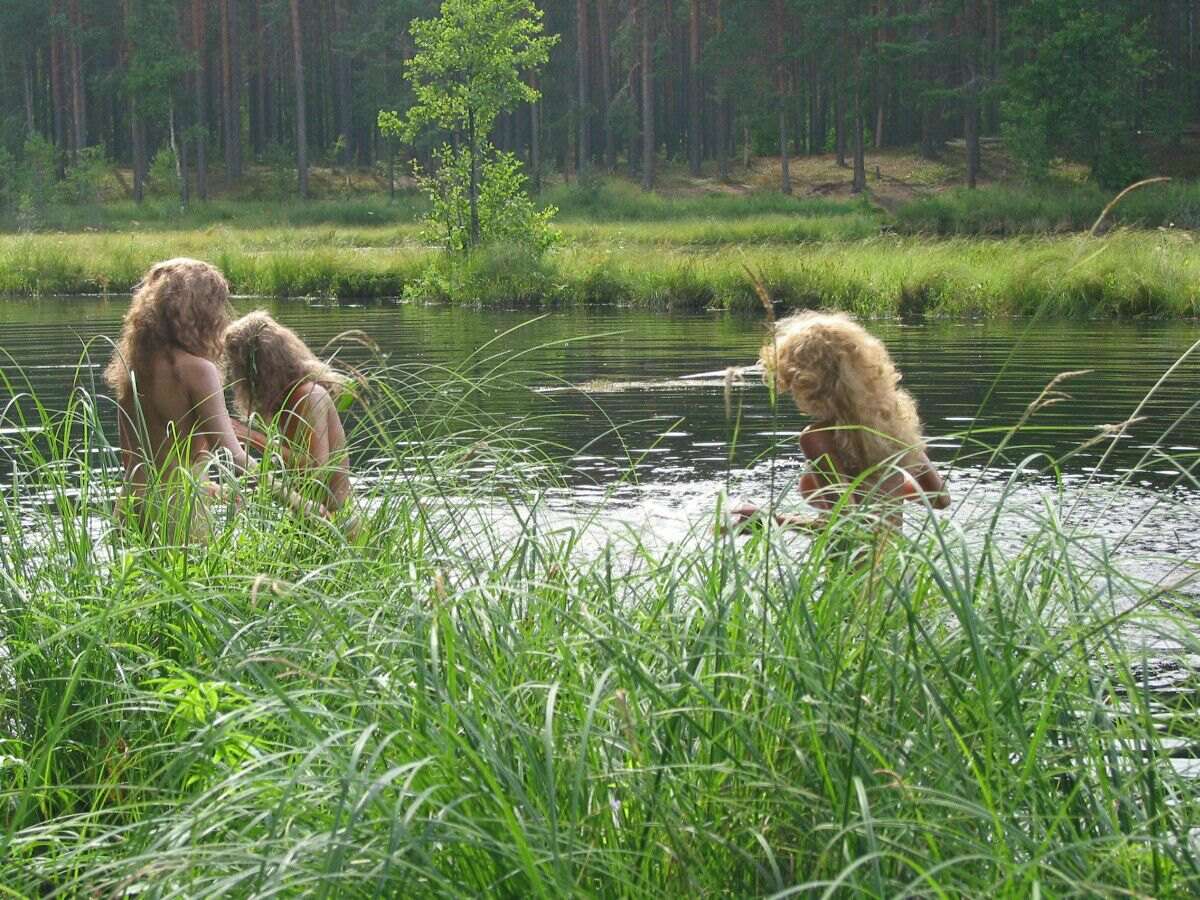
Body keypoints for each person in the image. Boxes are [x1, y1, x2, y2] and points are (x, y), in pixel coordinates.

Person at [733, 310, 949, 530]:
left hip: (852, 554)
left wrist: (764, 520)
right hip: (895, 551)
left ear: (811, 383)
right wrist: (887, 490)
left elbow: (847, 528)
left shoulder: (817, 438)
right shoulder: (893, 420)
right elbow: (940, 497)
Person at [104, 258, 250, 540]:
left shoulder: (130, 366)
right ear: (201, 311)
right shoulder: (198, 370)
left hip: (131, 502)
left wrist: (211, 488)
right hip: (180, 507)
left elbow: (130, 456)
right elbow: (234, 456)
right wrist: (298, 500)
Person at [223, 311, 353, 513]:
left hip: (337, 519)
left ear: (256, 368)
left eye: (235, 368)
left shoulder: (307, 395)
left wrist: (251, 437)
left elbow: (317, 470)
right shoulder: (287, 399)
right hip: (311, 516)